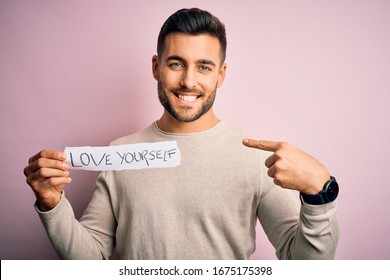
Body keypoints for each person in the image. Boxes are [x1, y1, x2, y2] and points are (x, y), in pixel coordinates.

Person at [23, 8, 339, 260]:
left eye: (204, 67)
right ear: (156, 67)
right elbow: (91, 259)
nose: (188, 80)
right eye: (176, 63)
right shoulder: (119, 154)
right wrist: (52, 204)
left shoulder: (256, 160)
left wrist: (318, 194)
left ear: (221, 75)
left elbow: (304, 263)